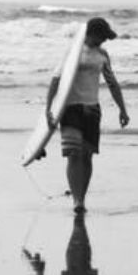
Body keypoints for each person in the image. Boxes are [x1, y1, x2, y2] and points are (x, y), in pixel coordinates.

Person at [45, 17, 129, 213]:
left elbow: (112, 83)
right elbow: (56, 80)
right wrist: (48, 109)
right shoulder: (73, 53)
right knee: (74, 155)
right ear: (92, 34)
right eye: (102, 37)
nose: (104, 41)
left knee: (88, 156)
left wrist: (122, 109)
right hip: (70, 108)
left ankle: (82, 197)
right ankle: (77, 201)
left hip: (92, 109)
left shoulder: (103, 55)